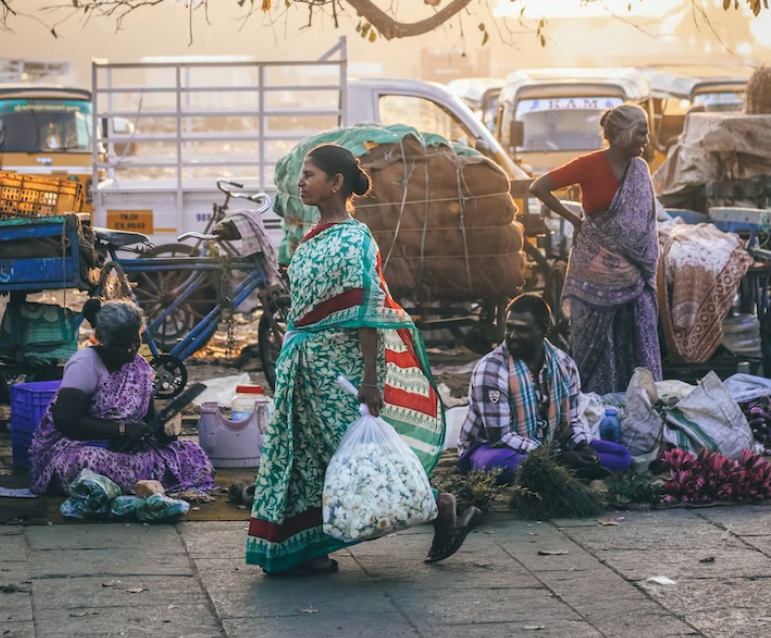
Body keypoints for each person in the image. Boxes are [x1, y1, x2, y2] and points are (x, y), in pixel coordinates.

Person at [245, 143, 480, 577]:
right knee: (307, 457)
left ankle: (439, 505)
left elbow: (366, 312)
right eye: (302, 174)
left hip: (344, 373)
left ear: (336, 183)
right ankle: (309, 548)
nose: (301, 181)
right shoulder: (310, 236)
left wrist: (371, 381)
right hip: (306, 367)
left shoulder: (354, 238)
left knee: (359, 458)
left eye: (310, 174)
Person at [529, 104, 661, 395]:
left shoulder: (640, 170)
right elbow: (539, 187)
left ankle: (640, 401)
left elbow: (645, 223)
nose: (646, 141)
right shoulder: (589, 164)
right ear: (623, 133)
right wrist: (575, 220)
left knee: (635, 335)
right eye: (641, 133)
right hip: (594, 269)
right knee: (597, 342)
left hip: (634, 273)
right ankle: (596, 402)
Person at [29, 299, 215, 495]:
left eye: (135, 341)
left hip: (126, 449)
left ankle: (130, 485)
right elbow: (66, 420)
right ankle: (133, 484)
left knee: (189, 452)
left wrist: (161, 432)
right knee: (86, 462)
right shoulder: (85, 364)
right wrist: (122, 430)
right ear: (103, 339)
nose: (131, 349)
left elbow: (148, 416)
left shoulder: (140, 367)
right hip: (78, 446)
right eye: (121, 344)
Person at [458, 295, 631, 484]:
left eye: (521, 329)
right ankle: (563, 468)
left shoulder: (565, 365)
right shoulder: (491, 368)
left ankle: (558, 469)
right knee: (500, 464)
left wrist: (582, 446)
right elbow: (500, 437)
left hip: (549, 446)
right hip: (490, 449)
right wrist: (557, 458)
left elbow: (571, 421)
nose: (512, 335)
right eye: (509, 327)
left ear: (543, 330)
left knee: (621, 456)